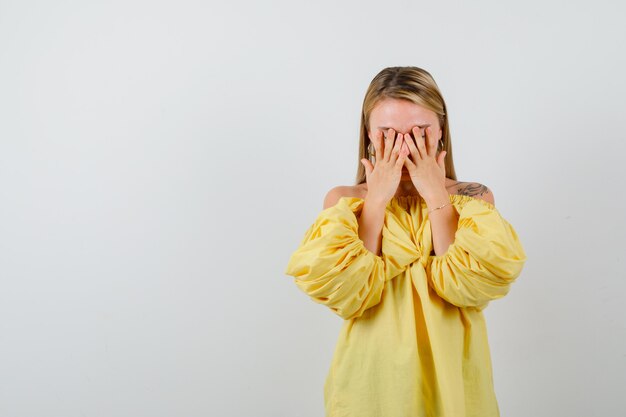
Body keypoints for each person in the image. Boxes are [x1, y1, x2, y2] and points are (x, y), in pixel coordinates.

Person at [284, 66, 527, 417]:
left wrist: (435, 194)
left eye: (419, 131)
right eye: (387, 133)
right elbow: (353, 295)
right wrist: (376, 201)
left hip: (453, 380)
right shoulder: (343, 201)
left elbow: (465, 287)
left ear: (441, 131)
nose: (404, 144)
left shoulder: (474, 200)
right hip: (370, 386)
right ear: (368, 134)